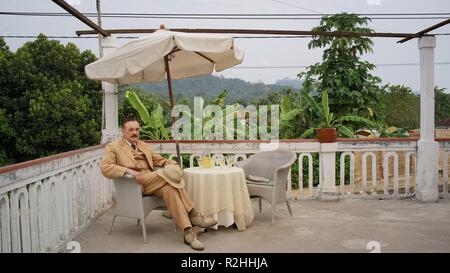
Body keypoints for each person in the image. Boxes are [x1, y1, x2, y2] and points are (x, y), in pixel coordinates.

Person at [100, 117, 217, 250]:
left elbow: (160, 160)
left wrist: (174, 164)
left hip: (153, 181)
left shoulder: (143, 145)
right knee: (168, 176)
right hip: (135, 184)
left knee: (170, 189)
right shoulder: (113, 147)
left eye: (137, 129)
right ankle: (194, 215)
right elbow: (105, 167)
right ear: (123, 131)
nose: (134, 132)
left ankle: (188, 232)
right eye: (131, 129)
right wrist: (129, 171)